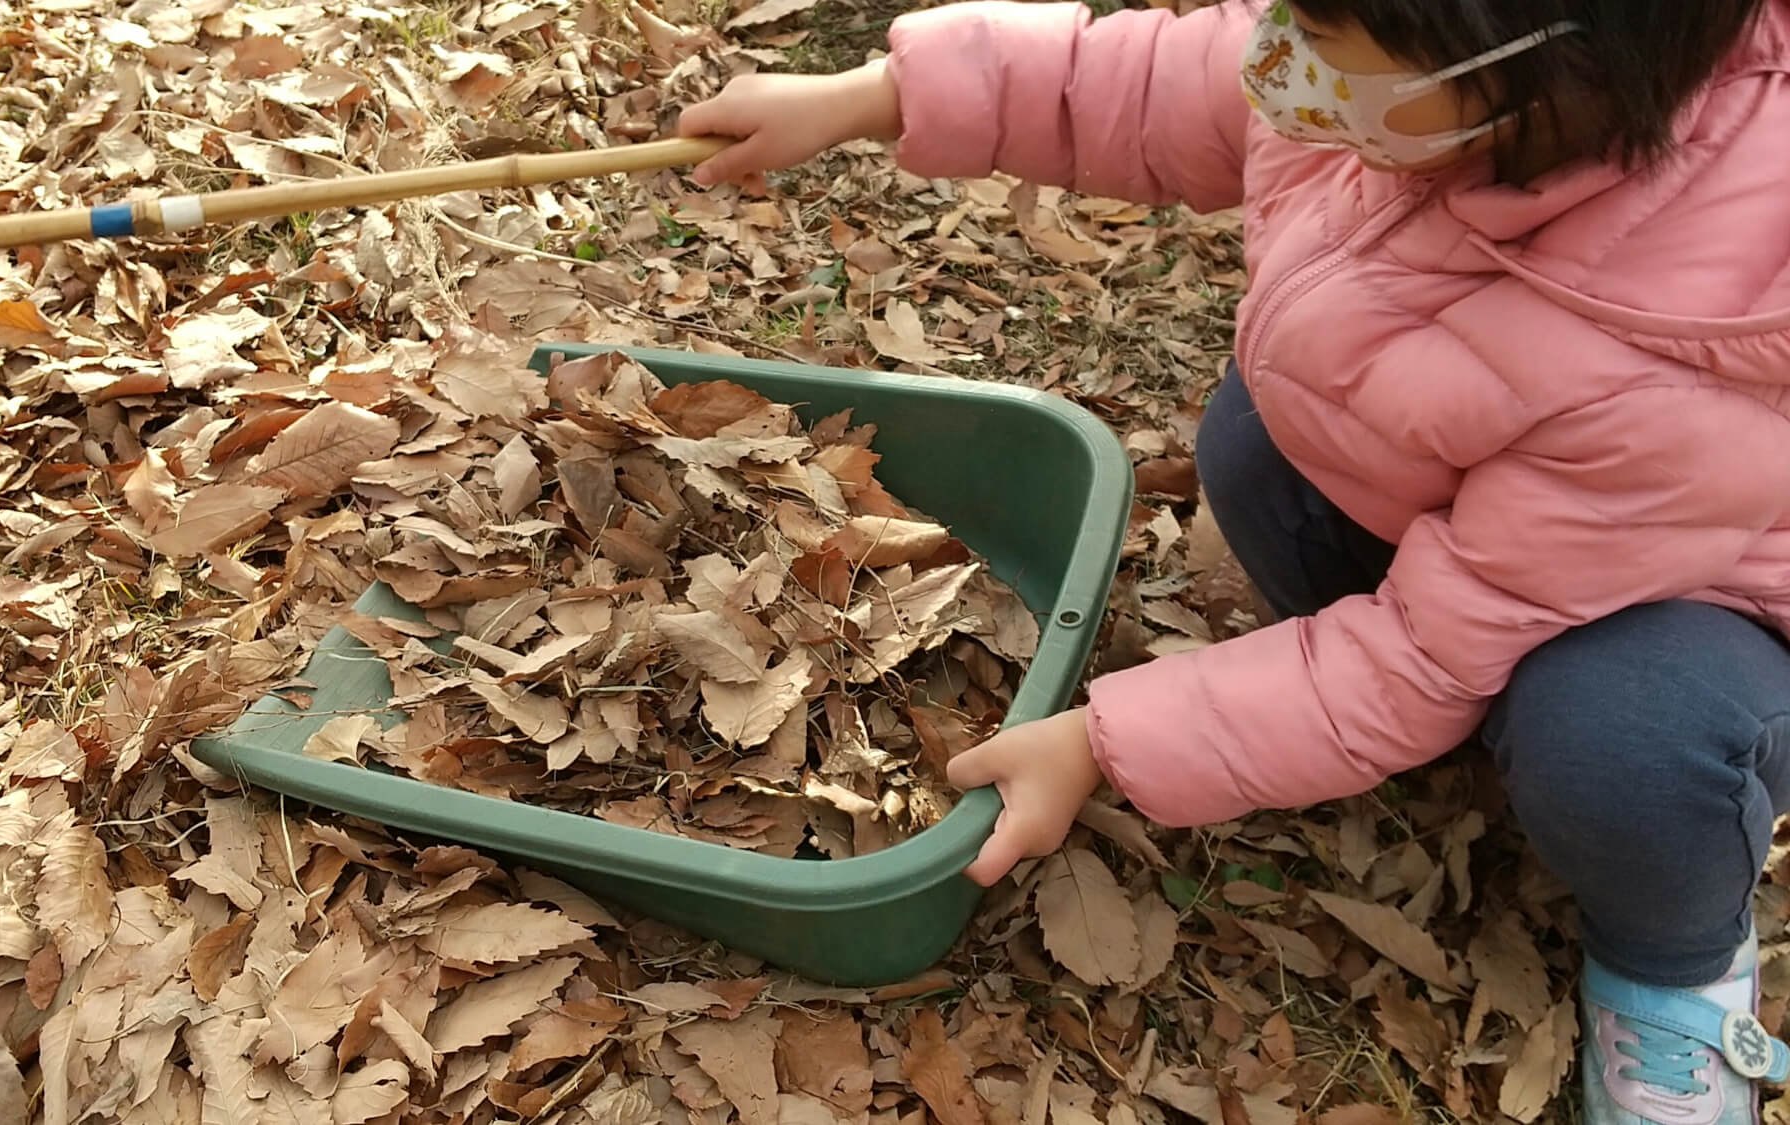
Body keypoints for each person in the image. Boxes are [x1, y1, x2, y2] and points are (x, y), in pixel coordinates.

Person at [678, 0, 1790, 1119]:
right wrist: (867, 98)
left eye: (1315, 41)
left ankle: (1673, 964)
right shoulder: (1418, 74)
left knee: (1619, 740)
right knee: (1259, 441)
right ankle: (1392, 725)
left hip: (1707, 601)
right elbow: (1145, 82)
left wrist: (1105, 743)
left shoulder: (1685, 349)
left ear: (1525, 82)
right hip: (1506, 524)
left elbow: (1416, 654)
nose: (1275, 65)